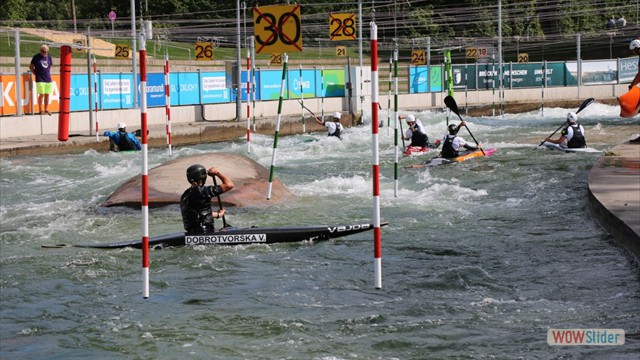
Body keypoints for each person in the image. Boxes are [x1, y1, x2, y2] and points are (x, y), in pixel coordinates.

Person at [180, 164, 234, 234]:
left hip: (192, 233)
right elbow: (229, 185)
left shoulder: (185, 195)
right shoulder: (203, 191)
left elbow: (198, 214)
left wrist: (218, 215)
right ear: (203, 178)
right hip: (205, 232)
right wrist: (217, 173)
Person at [29, 44, 53, 115]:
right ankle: (40, 109)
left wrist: (47, 72)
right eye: (43, 51)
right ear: (40, 51)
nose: (44, 53)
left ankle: (46, 109)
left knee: (47, 94)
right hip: (40, 79)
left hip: (48, 78)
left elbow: (50, 66)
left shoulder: (49, 57)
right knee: (41, 94)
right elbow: (31, 66)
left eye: (46, 52)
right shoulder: (36, 57)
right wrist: (35, 73)